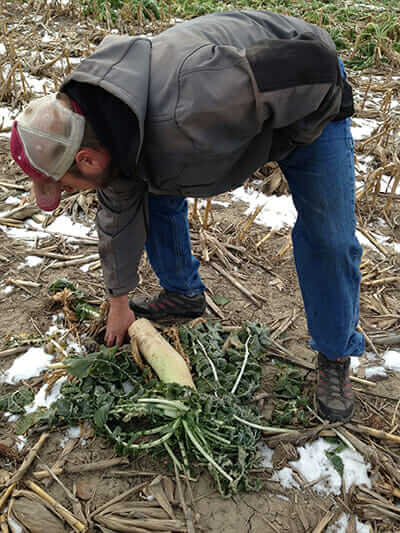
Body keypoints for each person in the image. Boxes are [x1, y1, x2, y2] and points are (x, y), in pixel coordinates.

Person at [10, 9, 364, 422]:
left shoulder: (199, 101)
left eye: (67, 185)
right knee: (149, 184)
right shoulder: (100, 125)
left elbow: (314, 69)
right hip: (223, 102)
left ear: (86, 160)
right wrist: (118, 300)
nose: (71, 192)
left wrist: (284, 141)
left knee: (329, 238)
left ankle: (336, 353)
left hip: (309, 94)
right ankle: (183, 294)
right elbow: (118, 213)